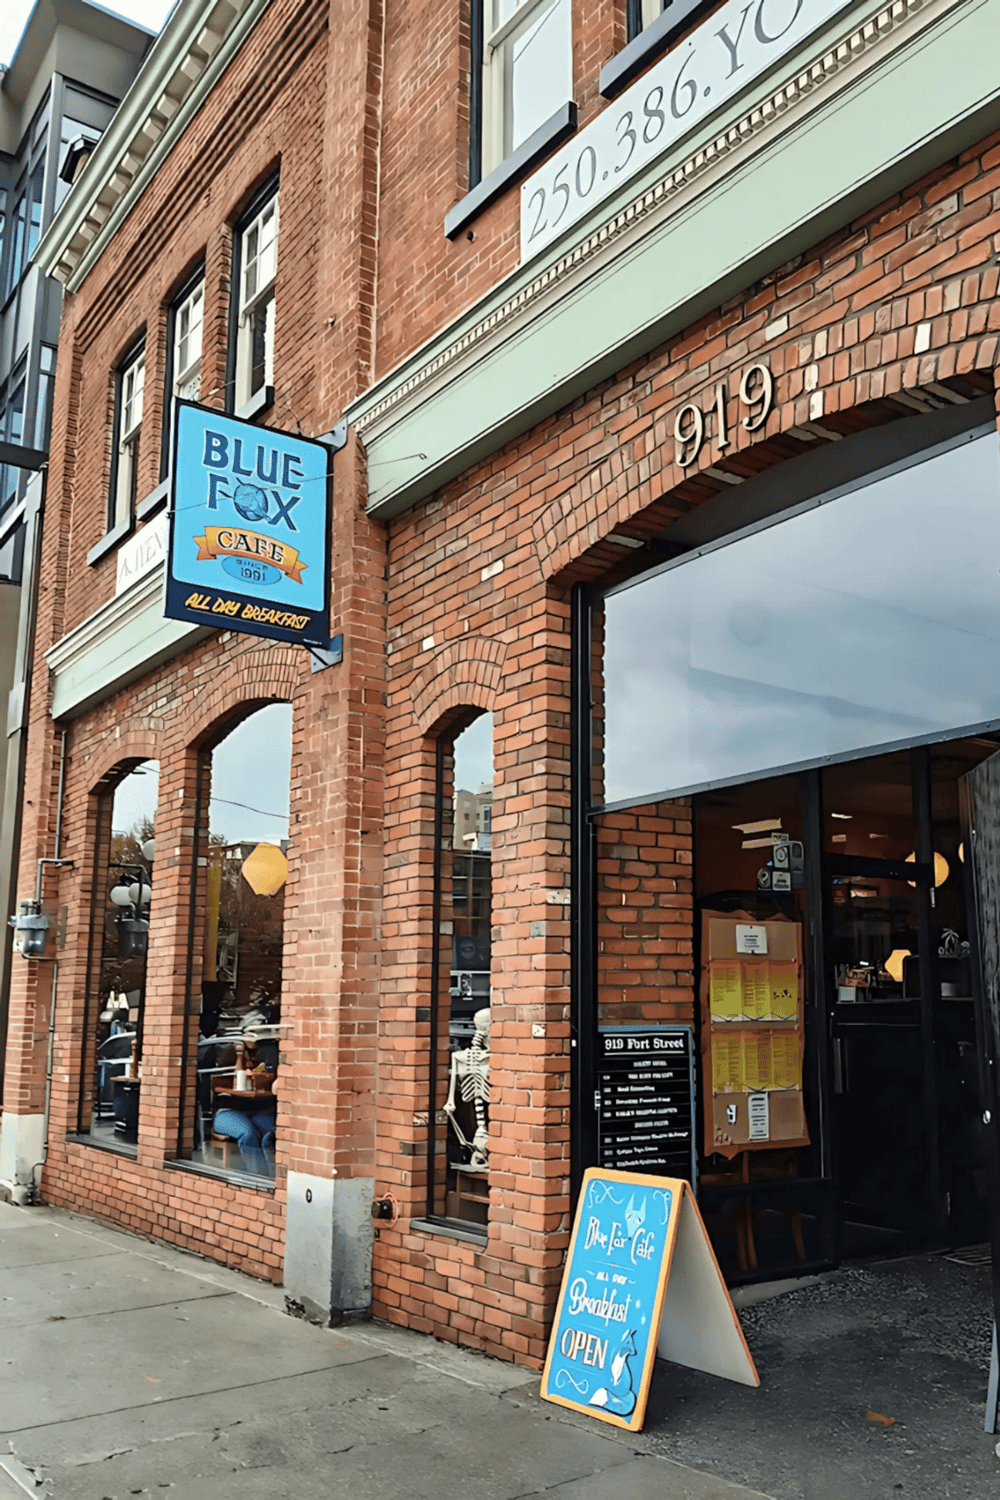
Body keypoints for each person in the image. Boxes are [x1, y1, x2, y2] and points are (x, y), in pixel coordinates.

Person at [212, 1035, 277, 1176]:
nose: (254, 1056)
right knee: (248, 1133)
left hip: (258, 1112)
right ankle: (256, 1177)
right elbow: (237, 1080)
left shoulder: (268, 1063)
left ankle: (271, 1176)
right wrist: (241, 1055)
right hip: (227, 1111)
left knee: (270, 1133)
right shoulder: (232, 1056)